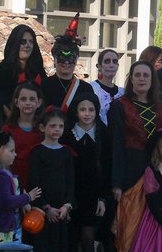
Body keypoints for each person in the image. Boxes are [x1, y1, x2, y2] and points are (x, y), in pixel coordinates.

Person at [110, 60, 162, 200]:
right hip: (129, 169)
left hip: (155, 167)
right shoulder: (119, 106)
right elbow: (115, 145)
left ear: (152, 80)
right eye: (138, 75)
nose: (142, 78)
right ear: (132, 79)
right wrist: (116, 182)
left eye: (146, 75)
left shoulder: (161, 108)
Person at [61, 90, 108, 252]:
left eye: (91, 110)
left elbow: (107, 168)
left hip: (93, 196)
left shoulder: (104, 134)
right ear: (76, 111)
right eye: (83, 110)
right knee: (71, 238)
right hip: (71, 194)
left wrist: (102, 198)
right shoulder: (67, 135)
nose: (87, 114)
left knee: (89, 237)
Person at [0, 132, 42, 250]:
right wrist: (28, 197)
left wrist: (23, 202)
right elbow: (6, 201)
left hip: (8, 229)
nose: (15, 154)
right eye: (11, 151)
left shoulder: (4, 175)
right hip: (1, 232)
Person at [28, 107, 75, 251]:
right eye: (53, 126)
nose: (57, 129)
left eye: (60, 126)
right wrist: (45, 207)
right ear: (42, 127)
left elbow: (70, 181)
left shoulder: (66, 152)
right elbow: (34, 183)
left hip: (61, 210)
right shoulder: (37, 152)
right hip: (43, 212)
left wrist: (67, 205)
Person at [0, 24, 45, 130]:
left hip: (34, 125)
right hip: (6, 124)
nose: (27, 45)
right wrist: (17, 121)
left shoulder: (38, 71)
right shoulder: (0, 70)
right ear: (15, 43)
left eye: (31, 42)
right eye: (23, 42)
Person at [42, 14, 95, 112]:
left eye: (71, 57)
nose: (66, 62)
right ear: (54, 57)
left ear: (77, 58)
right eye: (62, 56)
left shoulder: (85, 88)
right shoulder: (44, 86)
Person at [1, 82, 44, 192]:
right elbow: (2, 162)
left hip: (38, 183)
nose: (28, 103)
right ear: (16, 102)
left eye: (32, 99)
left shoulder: (43, 130)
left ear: (39, 102)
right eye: (23, 99)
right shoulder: (8, 129)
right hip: (14, 183)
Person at [90, 48, 123, 125]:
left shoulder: (123, 92)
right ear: (99, 66)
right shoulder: (91, 88)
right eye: (107, 61)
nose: (111, 65)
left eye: (114, 61)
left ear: (117, 66)